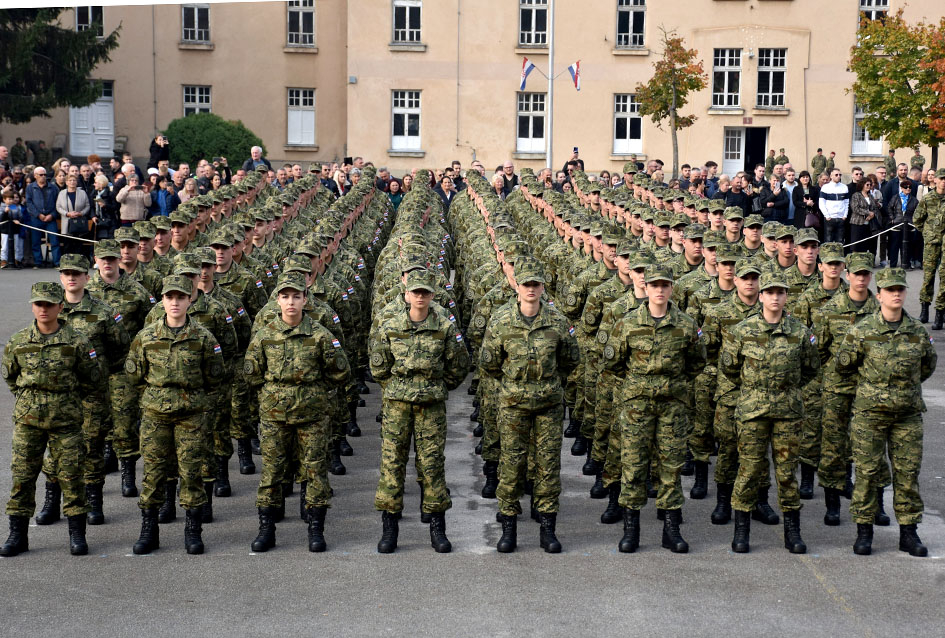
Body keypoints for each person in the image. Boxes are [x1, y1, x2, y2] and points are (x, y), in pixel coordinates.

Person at [244, 272, 350, 553]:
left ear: (305, 299)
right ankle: (267, 528)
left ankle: (315, 528)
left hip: (312, 416)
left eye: (296, 296)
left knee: (315, 472)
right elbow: (252, 375)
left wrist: (314, 394)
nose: (291, 302)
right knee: (272, 473)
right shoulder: (264, 336)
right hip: (275, 416)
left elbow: (339, 372)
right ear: (277, 300)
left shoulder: (319, 335)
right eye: (285, 296)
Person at [604, 264, 705, 553]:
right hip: (637, 407)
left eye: (665, 285)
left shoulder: (685, 324)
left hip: (672, 407)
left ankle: (670, 530)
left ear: (672, 288)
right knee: (633, 466)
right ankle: (631, 530)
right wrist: (639, 387)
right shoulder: (628, 323)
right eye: (655, 285)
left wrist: (671, 386)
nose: (660, 290)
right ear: (645, 288)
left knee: (671, 467)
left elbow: (697, 362)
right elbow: (613, 363)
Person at [480, 260, 579, 553]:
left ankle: (547, 529)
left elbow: (571, 359)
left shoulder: (557, 322)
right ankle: (508, 527)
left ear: (542, 287)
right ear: (517, 287)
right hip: (513, 404)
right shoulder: (501, 322)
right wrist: (516, 384)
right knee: (511, 464)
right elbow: (490, 363)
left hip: (548, 404)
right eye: (526, 284)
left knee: (548, 466)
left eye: (536, 284)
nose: (531, 289)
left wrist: (547, 382)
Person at [837, 267, 936, 557]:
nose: (895, 294)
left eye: (900, 290)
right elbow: (845, 366)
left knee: (907, 474)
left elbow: (927, 366)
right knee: (867, 473)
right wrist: (874, 390)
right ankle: (864, 532)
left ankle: (909, 533)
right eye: (890, 290)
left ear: (905, 294)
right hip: (870, 414)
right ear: (878, 295)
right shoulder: (862, 331)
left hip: (907, 415)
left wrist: (902, 391)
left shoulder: (917, 331)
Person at [370, 268, 469, 553]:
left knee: (433, 466)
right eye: (416, 292)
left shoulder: (445, 327)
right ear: (407, 295)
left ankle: (437, 528)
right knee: (392, 466)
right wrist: (398, 389)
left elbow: (459, 365)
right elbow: (378, 365)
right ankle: (390, 529)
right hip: (397, 407)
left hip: (431, 407)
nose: (421, 297)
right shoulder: (390, 324)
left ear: (432, 296)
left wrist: (435, 388)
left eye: (425, 292)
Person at [124, 274, 224, 555]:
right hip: (156, 415)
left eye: (181, 296)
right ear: (162, 301)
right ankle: (149, 530)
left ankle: (193, 530)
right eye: (170, 297)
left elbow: (214, 377)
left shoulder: (203, 338)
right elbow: (135, 376)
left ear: (190, 299)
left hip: (192, 415)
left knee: (192, 473)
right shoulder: (146, 337)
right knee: (153, 473)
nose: (175, 302)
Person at [719, 272, 819, 554]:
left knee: (787, 473)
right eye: (770, 292)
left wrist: (787, 389)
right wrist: (756, 391)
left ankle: (793, 531)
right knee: (750, 470)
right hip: (753, 411)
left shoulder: (800, 332)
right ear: (761, 296)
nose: (775, 297)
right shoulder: (742, 331)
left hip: (788, 411)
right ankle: (741, 530)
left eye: (781, 292)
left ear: (787, 297)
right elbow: (729, 368)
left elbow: (811, 368)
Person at [0, 282, 101, 557]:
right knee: (22, 477)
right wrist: (31, 401)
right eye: (38, 304)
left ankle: (77, 535)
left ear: (60, 307)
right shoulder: (19, 341)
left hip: (66, 420)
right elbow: (11, 376)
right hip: (28, 421)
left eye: (48, 304)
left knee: (72, 476)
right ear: (33, 306)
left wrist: (64, 399)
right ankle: (17, 535)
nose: (43, 309)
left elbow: (92, 379)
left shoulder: (76, 341)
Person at [912, 168, 945, 326]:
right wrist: (928, 233)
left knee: (944, 279)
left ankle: (940, 314)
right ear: (935, 180)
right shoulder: (928, 198)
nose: (944, 181)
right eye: (941, 178)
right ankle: (924, 311)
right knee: (928, 278)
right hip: (932, 243)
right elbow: (917, 219)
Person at [25, 165, 60, 268]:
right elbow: (29, 203)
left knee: (54, 241)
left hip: (50, 218)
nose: (43, 177)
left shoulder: (53, 187)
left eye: (45, 174)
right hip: (36, 218)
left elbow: (57, 203)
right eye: (41, 175)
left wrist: (52, 215)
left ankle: (57, 263)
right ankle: (38, 262)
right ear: (35, 176)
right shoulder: (30, 188)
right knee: (36, 241)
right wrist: (38, 214)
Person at [56, 174, 91, 256]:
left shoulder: (82, 193)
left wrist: (81, 213)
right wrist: (67, 213)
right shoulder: (62, 193)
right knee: (67, 245)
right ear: (66, 182)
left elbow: (87, 205)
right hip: (66, 222)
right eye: (70, 180)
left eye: (74, 180)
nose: (72, 182)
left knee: (78, 244)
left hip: (78, 223)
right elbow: (58, 207)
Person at [887, 179, 919, 269]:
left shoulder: (914, 200)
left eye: (910, 187)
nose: (908, 189)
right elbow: (889, 208)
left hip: (909, 225)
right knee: (894, 246)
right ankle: (893, 265)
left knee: (907, 246)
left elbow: (917, 212)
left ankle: (906, 264)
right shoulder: (895, 197)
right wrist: (892, 218)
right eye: (906, 187)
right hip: (896, 225)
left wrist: (913, 221)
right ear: (901, 188)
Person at [849, 176, 881, 256]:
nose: (869, 186)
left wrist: (872, 215)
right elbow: (855, 208)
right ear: (862, 185)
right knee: (857, 244)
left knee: (868, 243)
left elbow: (874, 208)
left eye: (870, 185)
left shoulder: (870, 196)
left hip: (869, 224)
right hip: (858, 223)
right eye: (867, 185)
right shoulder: (856, 195)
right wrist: (867, 213)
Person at [819, 169, 849, 244]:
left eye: (840, 175)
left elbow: (846, 202)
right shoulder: (825, 187)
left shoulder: (844, 187)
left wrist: (845, 215)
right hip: (830, 218)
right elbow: (822, 203)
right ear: (831, 176)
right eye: (836, 175)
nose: (838, 176)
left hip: (841, 218)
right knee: (828, 241)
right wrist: (827, 216)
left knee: (840, 241)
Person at [1, 188, 25, 268]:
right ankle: (3, 260)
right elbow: (1, 218)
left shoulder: (14, 207)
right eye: (9, 199)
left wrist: (18, 220)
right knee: (4, 246)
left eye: (12, 199)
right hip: (5, 230)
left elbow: (19, 216)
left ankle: (16, 260)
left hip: (15, 230)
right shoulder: (2, 207)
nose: (11, 201)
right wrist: (5, 212)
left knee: (16, 246)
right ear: (4, 199)